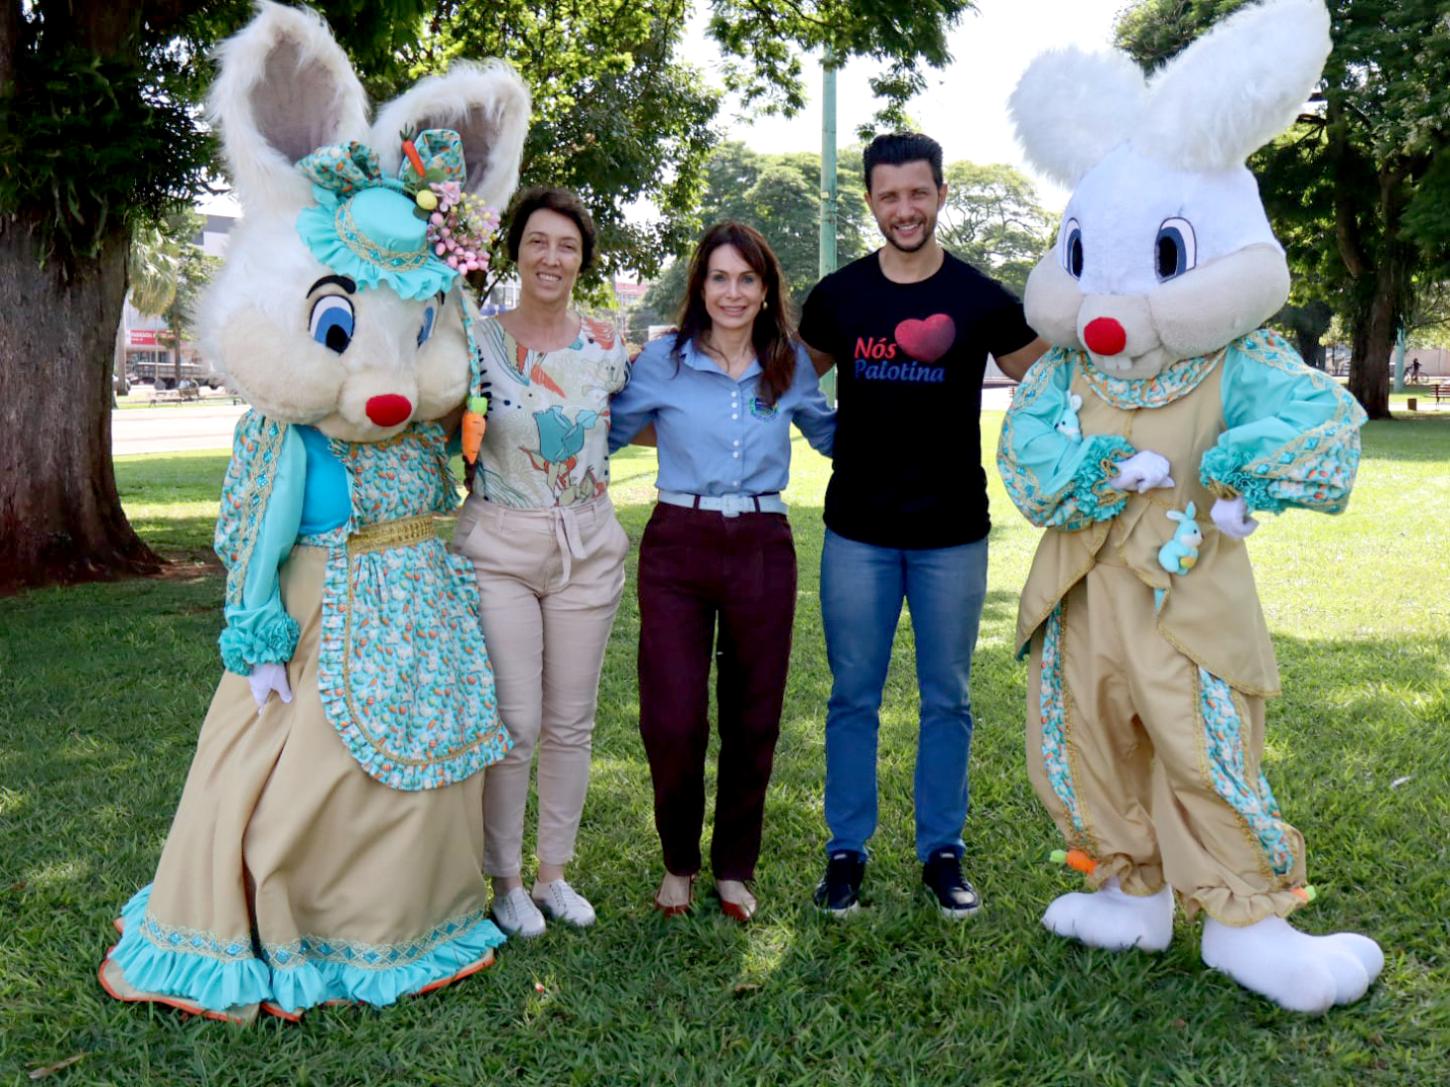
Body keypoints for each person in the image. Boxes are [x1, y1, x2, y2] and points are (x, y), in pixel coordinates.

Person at [798, 132, 1048, 919]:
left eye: (917, 193)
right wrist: (829, 434)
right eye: (887, 195)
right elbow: (786, 381)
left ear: (940, 195)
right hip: (857, 532)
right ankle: (847, 850)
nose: (903, 209)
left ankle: (944, 850)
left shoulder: (981, 299)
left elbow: (1050, 371)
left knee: (948, 697)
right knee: (853, 697)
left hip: (953, 534)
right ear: (868, 201)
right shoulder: (839, 297)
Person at [609, 221, 835, 922]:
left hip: (765, 543)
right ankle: (679, 860)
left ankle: (735, 867)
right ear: (698, 286)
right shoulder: (661, 362)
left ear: (766, 289)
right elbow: (601, 434)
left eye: (747, 279)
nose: (732, 292)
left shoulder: (790, 363)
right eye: (719, 278)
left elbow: (830, 437)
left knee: (754, 712)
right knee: (673, 715)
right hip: (679, 540)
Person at [452, 187, 630, 938]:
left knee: (571, 721)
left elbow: (626, 425)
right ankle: (507, 881)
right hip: (500, 545)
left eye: (567, 245)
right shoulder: (476, 338)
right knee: (516, 722)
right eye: (538, 242)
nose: (552, 257)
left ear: (583, 258)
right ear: (516, 251)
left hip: (588, 547)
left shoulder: (606, 343)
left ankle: (554, 873)